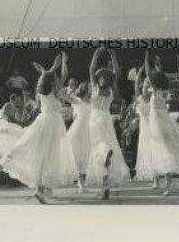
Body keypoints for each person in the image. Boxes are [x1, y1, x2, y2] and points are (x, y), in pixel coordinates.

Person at [0, 53, 78, 203]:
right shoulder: (55, 92)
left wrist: (48, 69)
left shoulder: (42, 91)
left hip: (42, 121)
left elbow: (48, 78)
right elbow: (64, 75)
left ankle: (36, 185)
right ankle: (40, 188)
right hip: (52, 124)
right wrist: (63, 62)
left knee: (33, 148)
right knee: (47, 156)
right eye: (55, 80)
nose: (58, 81)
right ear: (52, 83)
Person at [146, 52, 179, 195]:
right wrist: (157, 63)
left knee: (161, 149)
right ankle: (158, 180)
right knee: (161, 149)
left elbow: (150, 73)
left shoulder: (156, 90)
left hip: (158, 121)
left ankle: (166, 182)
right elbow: (157, 74)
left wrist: (149, 59)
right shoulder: (163, 89)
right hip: (162, 119)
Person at [87, 47, 129, 199]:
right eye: (101, 76)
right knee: (104, 145)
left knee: (100, 145)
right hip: (103, 119)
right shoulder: (105, 88)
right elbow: (96, 70)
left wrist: (103, 55)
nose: (101, 78)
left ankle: (105, 155)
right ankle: (105, 184)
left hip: (99, 118)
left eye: (102, 76)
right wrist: (105, 55)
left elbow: (94, 70)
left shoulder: (102, 87)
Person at [134, 63, 158, 186]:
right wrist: (141, 70)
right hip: (144, 131)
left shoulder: (155, 97)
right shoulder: (139, 98)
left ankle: (156, 178)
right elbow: (136, 84)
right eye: (145, 84)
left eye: (149, 84)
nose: (147, 86)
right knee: (145, 151)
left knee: (155, 152)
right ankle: (148, 174)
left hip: (154, 128)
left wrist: (155, 69)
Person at [65, 81, 91, 192]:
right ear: (85, 89)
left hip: (88, 128)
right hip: (78, 129)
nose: (91, 89)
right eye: (89, 87)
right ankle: (79, 181)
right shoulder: (78, 100)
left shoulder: (92, 102)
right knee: (77, 154)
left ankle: (82, 183)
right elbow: (65, 97)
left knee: (86, 155)